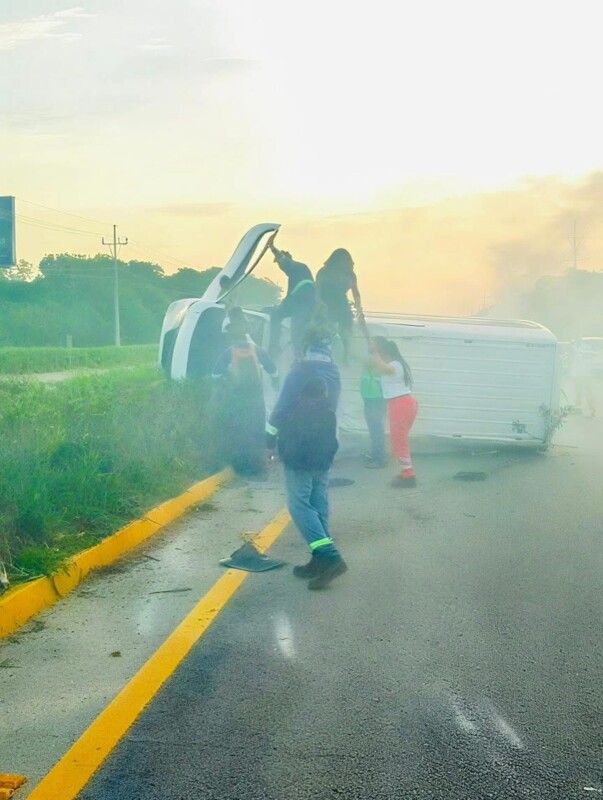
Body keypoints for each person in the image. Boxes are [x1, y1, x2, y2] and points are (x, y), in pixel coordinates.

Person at [266, 326, 347, 589]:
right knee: (318, 501)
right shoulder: (333, 373)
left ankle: (330, 556)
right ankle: (319, 558)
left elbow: (281, 407)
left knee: (299, 505)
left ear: (303, 347)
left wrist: (270, 440)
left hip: (299, 450)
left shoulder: (299, 373)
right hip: (323, 448)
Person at [212, 308, 279, 478]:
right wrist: (275, 382)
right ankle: (257, 468)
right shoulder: (257, 350)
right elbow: (273, 370)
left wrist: (221, 387)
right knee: (256, 433)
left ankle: (241, 468)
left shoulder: (228, 352)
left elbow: (215, 375)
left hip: (238, 400)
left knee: (240, 433)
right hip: (255, 400)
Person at [369, 338, 418, 487]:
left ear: (387, 353)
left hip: (400, 405)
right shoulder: (397, 364)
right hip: (403, 404)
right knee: (399, 440)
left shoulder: (395, 365)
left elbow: (382, 367)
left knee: (399, 441)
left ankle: (408, 475)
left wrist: (375, 351)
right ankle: (405, 472)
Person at [266, 233, 317, 359]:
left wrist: (272, 247)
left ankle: (279, 349)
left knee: (295, 331)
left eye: (278, 262)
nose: (279, 265)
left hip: (302, 304)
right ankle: (285, 349)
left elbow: (283, 260)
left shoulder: (296, 267)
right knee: (277, 315)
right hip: (299, 303)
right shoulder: (296, 271)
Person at [315, 248, 362, 364]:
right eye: (345, 260)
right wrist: (319, 303)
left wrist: (358, 307)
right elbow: (316, 289)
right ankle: (323, 356)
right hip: (326, 304)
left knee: (346, 333)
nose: (350, 263)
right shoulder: (324, 272)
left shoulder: (350, 275)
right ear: (336, 261)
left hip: (342, 305)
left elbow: (356, 293)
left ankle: (346, 357)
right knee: (325, 332)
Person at [360, 336, 389, 468]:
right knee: (373, 428)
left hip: (376, 398)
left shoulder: (380, 359)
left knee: (376, 429)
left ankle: (380, 458)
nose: (369, 345)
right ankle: (376, 455)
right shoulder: (374, 358)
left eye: (372, 343)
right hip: (369, 397)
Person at [571, 339, 596, 417]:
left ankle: (591, 409)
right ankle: (581, 409)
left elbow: (588, 359)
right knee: (580, 392)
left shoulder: (581, 347)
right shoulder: (575, 346)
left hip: (583, 374)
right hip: (580, 374)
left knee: (584, 392)